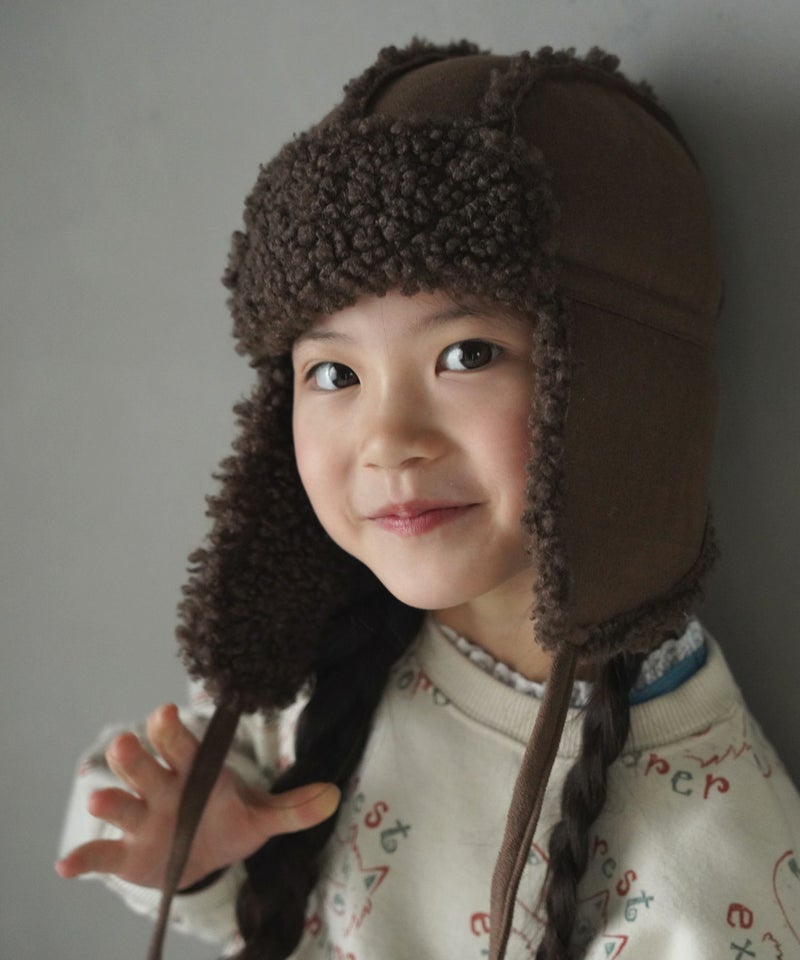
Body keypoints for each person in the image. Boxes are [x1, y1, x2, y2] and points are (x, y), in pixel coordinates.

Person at [56, 39, 800, 960]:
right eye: (334, 372)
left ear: (622, 389)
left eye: (465, 355)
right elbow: (196, 865)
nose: (388, 438)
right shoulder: (320, 660)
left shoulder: (707, 872)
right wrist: (197, 862)